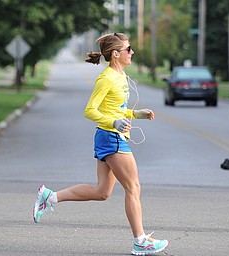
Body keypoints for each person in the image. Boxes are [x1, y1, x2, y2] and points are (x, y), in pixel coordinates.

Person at [33, 32, 168, 255]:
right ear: (116, 54)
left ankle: (50, 196)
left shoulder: (120, 76)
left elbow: (114, 109)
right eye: (128, 49)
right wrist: (114, 122)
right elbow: (90, 110)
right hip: (111, 137)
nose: (132, 52)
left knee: (102, 192)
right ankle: (141, 241)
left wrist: (136, 114)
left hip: (111, 136)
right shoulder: (106, 78)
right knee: (133, 187)